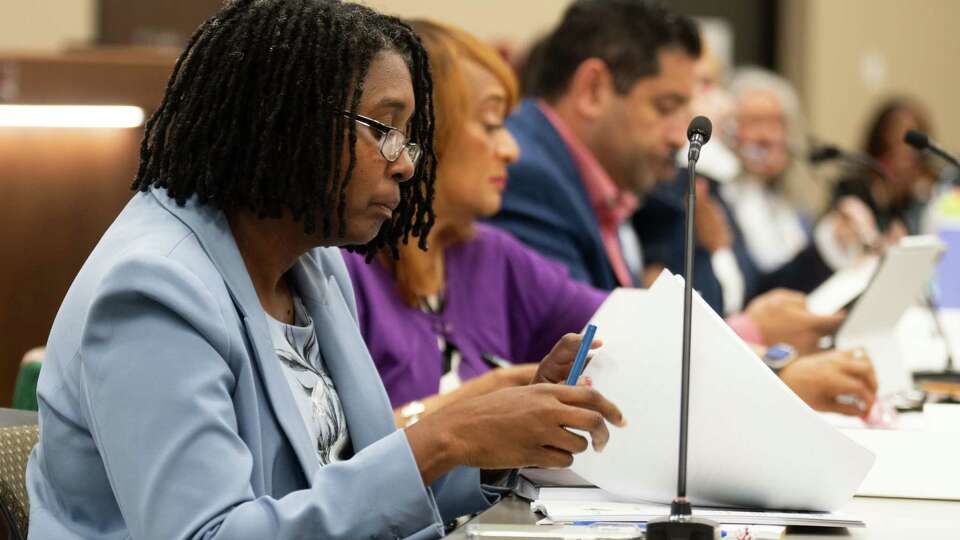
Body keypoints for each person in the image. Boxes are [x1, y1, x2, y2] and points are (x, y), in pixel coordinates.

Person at [26, 2, 626, 538]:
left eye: (411, 139)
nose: (406, 167)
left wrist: (492, 445)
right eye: (385, 129)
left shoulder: (315, 268)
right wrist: (440, 437)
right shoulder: (153, 289)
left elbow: (358, 485)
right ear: (286, 121)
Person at [487, 0, 877, 406]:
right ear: (593, 90)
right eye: (666, 107)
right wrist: (756, 339)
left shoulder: (605, 181)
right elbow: (581, 349)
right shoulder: (524, 172)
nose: (679, 137)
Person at [342, 20, 607, 427]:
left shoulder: (491, 255)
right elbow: (329, 456)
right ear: (424, 131)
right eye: (490, 124)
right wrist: (479, 403)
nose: (511, 149)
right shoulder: (340, 267)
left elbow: (624, 324)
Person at [719, 67, 881, 304]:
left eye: (777, 123)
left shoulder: (793, 204)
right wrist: (826, 245)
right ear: (728, 129)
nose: (767, 136)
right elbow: (757, 292)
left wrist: (843, 242)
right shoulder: (720, 202)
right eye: (754, 122)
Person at [834, 97, 938, 238]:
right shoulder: (853, 186)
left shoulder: (925, 188)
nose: (905, 148)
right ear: (882, 137)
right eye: (897, 132)